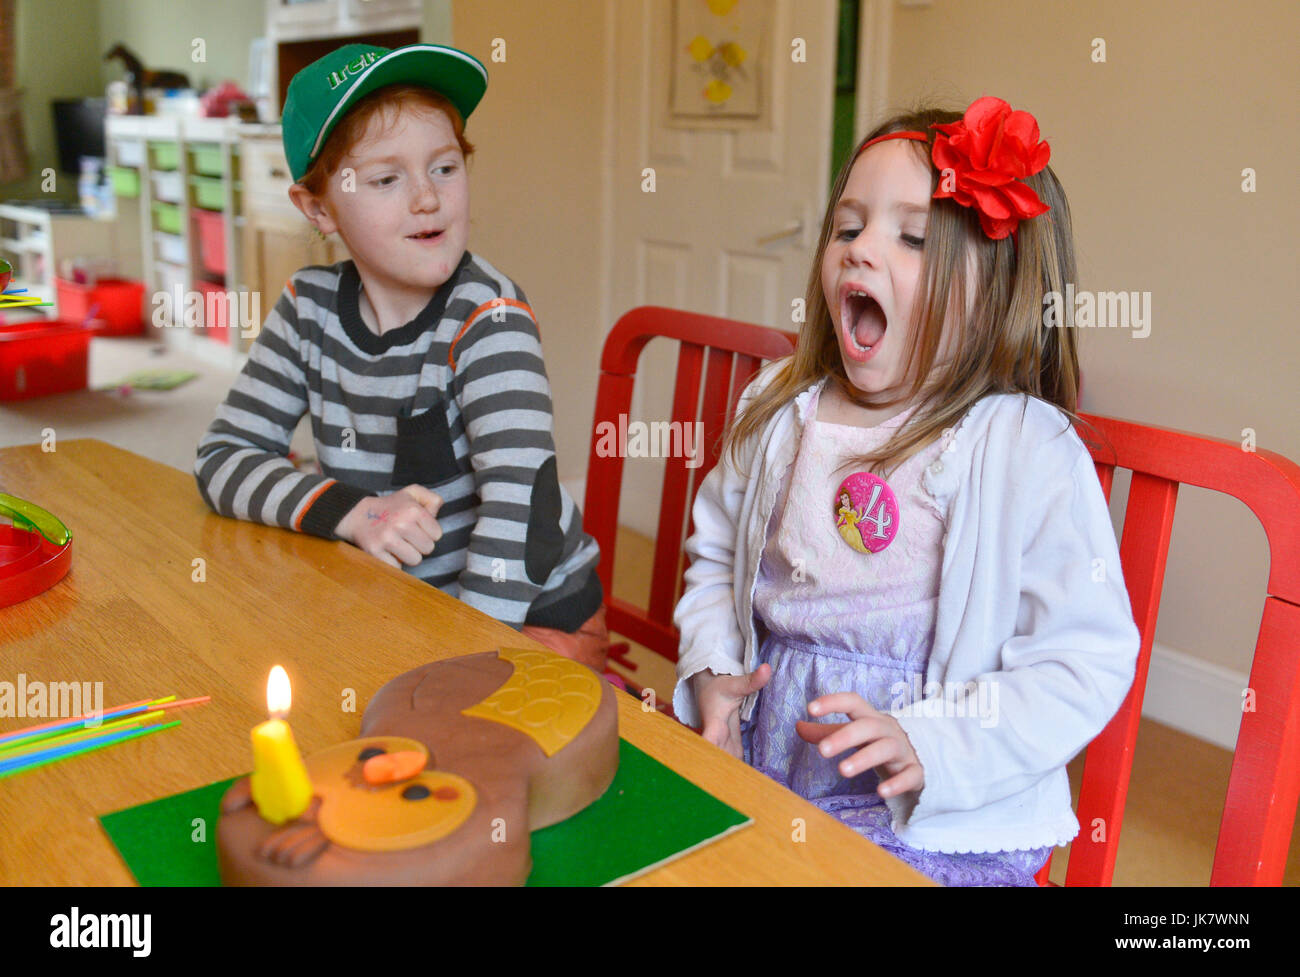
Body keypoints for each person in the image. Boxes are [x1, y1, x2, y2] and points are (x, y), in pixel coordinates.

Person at [672, 97, 1140, 885]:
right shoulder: (780, 407)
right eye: (848, 227)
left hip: (938, 814)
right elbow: (718, 555)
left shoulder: (1024, 447)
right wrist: (713, 670)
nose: (860, 252)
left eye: (912, 237)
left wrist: (934, 744)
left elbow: (1082, 660)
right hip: (771, 755)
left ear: (994, 290)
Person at [194, 43, 609, 670]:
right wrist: (354, 512)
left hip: (526, 621)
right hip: (402, 606)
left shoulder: (488, 317)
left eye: (444, 167)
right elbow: (222, 459)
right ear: (318, 208)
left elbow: (521, 511)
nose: (426, 198)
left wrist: (457, 654)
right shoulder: (308, 309)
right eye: (386, 179)